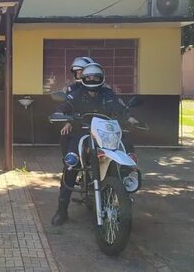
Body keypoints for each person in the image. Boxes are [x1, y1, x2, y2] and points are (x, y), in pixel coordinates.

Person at [51, 62, 138, 226]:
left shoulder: (107, 93)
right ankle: (61, 210)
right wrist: (60, 113)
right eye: (88, 77)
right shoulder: (77, 93)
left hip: (106, 133)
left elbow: (118, 106)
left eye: (95, 77)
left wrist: (129, 116)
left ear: (101, 78)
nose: (92, 79)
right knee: (71, 163)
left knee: (125, 146)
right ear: (83, 78)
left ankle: (125, 183)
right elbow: (66, 105)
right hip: (82, 132)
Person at [60, 56, 95, 156]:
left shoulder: (102, 87)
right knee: (65, 134)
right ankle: (69, 164)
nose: (79, 74)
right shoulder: (71, 89)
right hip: (78, 122)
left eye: (82, 71)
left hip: (99, 123)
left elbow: (113, 103)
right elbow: (68, 106)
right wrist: (68, 122)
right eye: (77, 72)